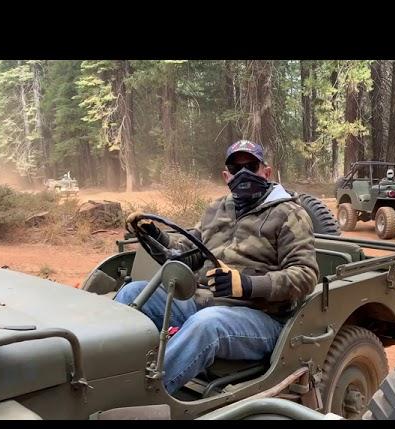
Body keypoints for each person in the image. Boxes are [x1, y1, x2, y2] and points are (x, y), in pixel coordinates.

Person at [115, 140, 319, 395]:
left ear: (266, 172)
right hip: (206, 301)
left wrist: (247, 285)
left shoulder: (289, 213)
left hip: (262, 317)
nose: (243, 173)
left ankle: (137, 398)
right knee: (132, 294)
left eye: (251, 166)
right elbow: (188, 254)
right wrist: (154, 235)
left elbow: (305, 275)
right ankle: (108, 376)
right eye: (236, 167)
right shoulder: (216, 209)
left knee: (206, 325)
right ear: (226, 175)